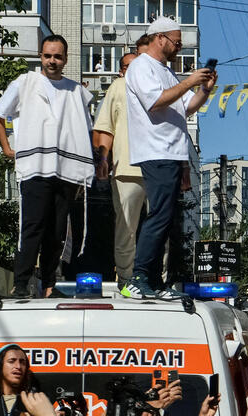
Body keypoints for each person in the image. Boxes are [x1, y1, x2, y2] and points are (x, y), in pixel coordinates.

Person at [0, 34, 94, 298]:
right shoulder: (26, 82)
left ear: (66, 59)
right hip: (36, 167)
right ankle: (21, 282)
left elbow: (85, 130)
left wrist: (89, 168)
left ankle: (49, 284)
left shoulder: (77, 91)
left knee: (57, 231)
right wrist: (6, 148)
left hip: (66, 170)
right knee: (33, 226)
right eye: (48, 55)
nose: (52, 61)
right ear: (40, 56)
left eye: (57, 56)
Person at [122, 17, 215, 299]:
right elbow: (155, 102)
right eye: (176, 42)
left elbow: (184, 109)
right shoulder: (140, 66)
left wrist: (204, 90)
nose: (179, 48)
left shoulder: (164, 71)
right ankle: (138, 277)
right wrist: (189, 81)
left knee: (168, 219)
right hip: (156, 150)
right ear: (160, 38)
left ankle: (153, 281)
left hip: (172, 152)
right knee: (159, 215)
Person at [93, 52, 145, 286]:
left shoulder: (156, 84)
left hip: (158, 170)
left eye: (136, 66)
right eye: (126, 67)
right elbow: (104, 128)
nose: (131, 71)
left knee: (159, 231)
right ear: (121, 71)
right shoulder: (117, 87)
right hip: (125, 168)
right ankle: (126, 279)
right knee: (126, 230)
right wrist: (102, 159)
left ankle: (156, 278)